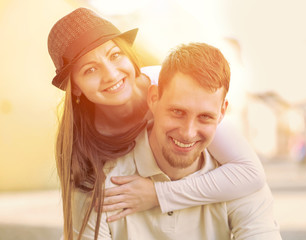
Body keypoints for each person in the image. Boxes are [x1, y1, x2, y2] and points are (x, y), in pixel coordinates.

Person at [47, 8, 266, 240]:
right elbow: (83, 214)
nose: (111, 75)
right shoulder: (83, 142)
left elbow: (250, 173)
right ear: (76, 87)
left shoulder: (173, 87)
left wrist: (159, 194)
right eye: (90, 69)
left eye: (115, 55)